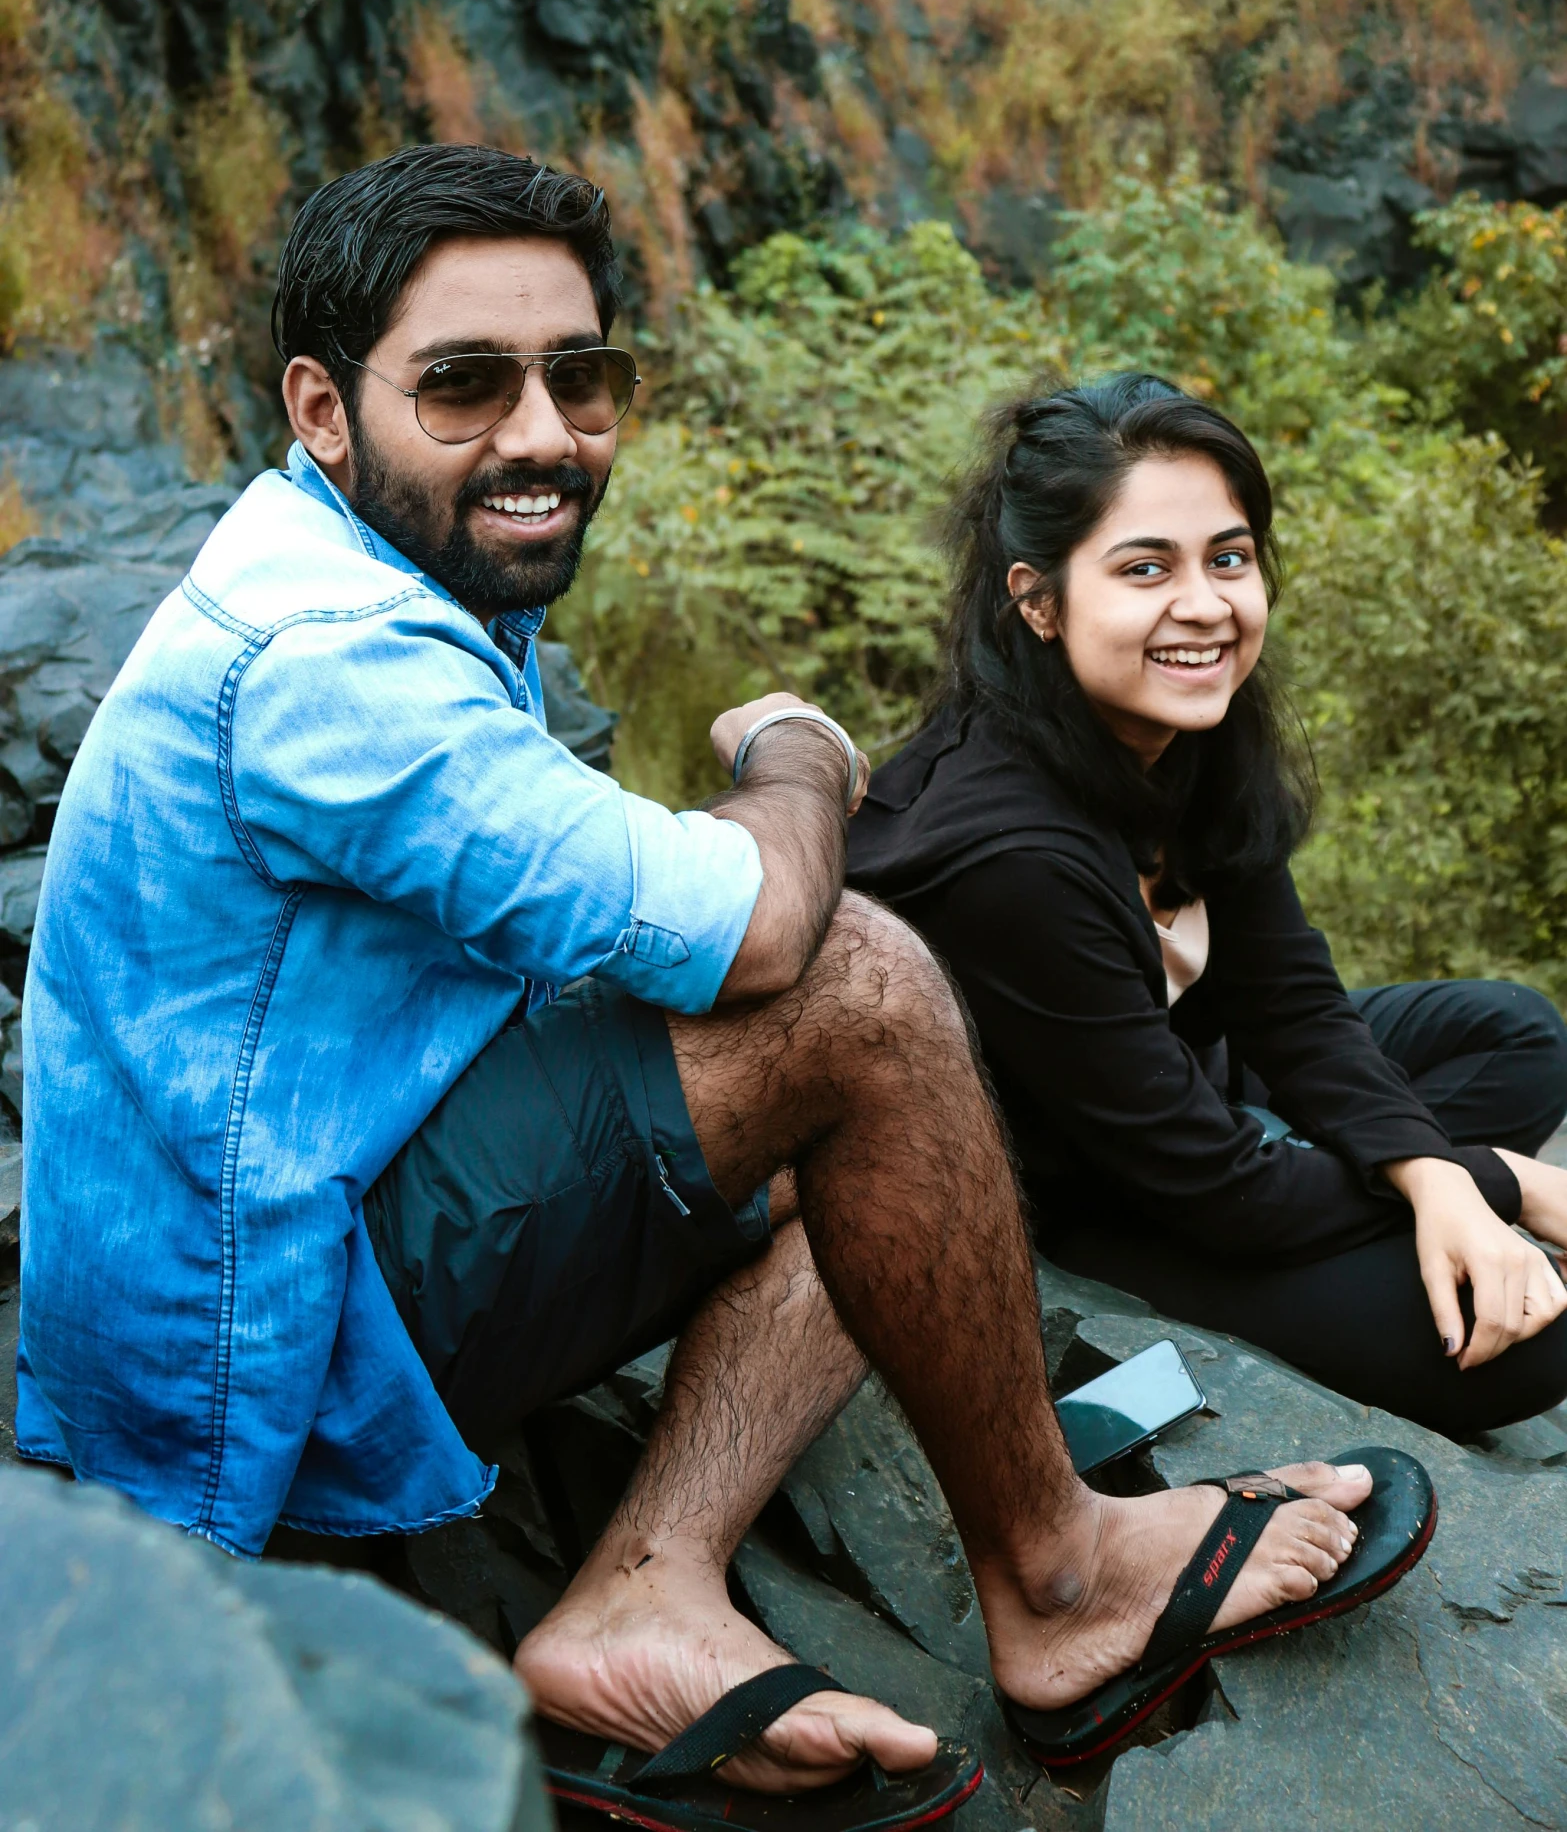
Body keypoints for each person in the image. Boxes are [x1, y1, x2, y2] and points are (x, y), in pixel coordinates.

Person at [21, 159, 1406, 1810]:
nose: (542, 433)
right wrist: (802, 757)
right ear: (322, 405)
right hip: (258, 1348)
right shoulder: (331, 666)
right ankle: (1057, 1580)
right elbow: (759, 933)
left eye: (577, 376)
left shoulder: (377, 565)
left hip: (316, 1202)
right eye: (465, 383)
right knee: (862, 982)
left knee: (891, 1156)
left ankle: (640, 1592)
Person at [847, 372, 1567, 1440]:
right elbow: (1211, 1190)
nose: (1204, 604)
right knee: (1533, 1342)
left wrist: (1427, 1177)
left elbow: (1293, 1003)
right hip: (1087, 1203)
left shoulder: (1185, 734)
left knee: (1514, 1036)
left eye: (1227, 557)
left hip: (1191, 1097)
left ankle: (1344, 1174)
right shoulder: (1009, 857)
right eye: (1146, 568)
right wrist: (1494, 1180)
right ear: (1036, 601)